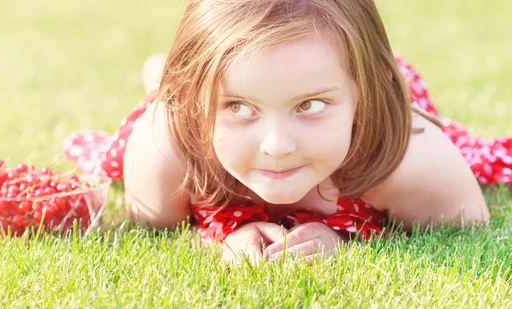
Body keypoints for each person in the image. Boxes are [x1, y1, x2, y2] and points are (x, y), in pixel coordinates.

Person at [63, 0, 501, 264]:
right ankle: (162, 73)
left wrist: (347, 241)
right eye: (239, 107)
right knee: (175, 84)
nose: (276, 147)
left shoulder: (412, 160)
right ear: (193, 104)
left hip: (372, 76)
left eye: (310, 106)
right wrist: (216, 236)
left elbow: (466, 225)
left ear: (365, 94)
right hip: (191, 86)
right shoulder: (165, 146)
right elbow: (155, 228)